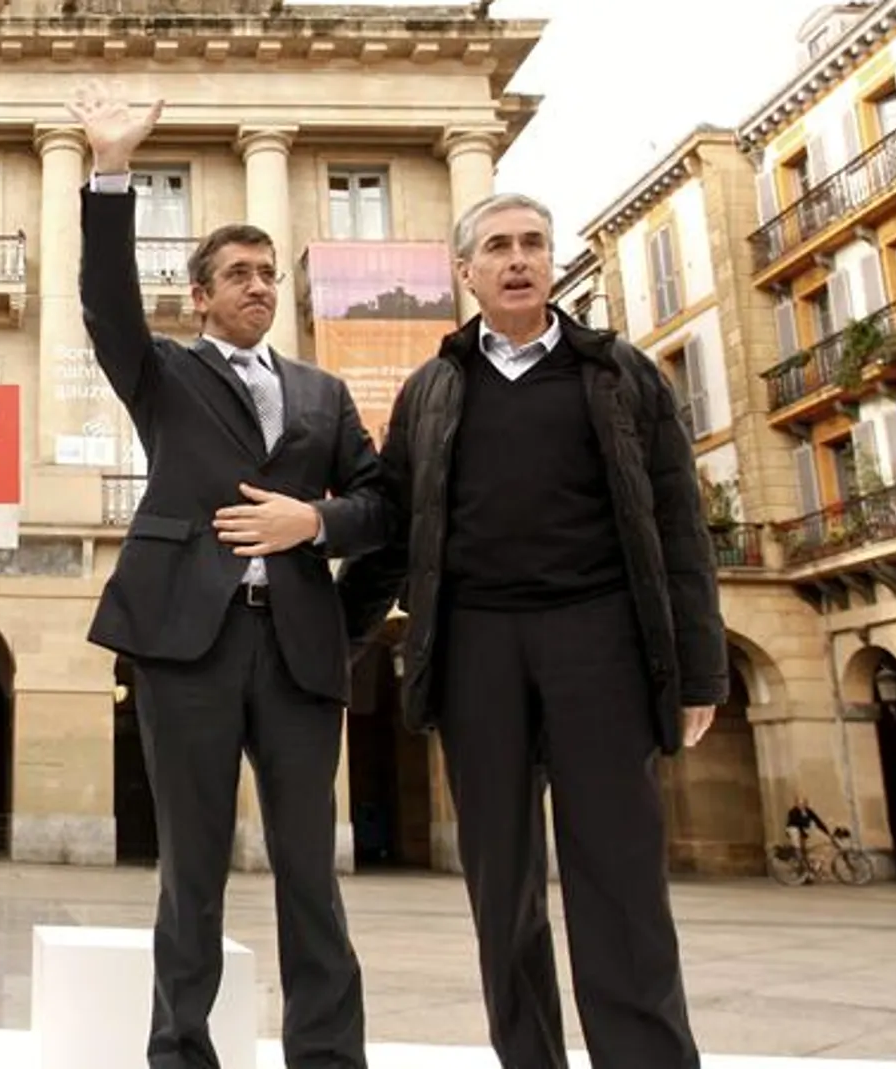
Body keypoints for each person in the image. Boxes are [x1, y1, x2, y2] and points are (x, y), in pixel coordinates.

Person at [339, 191, 727, 1069]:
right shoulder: (431, 389)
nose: (518, 259)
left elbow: (679, 527)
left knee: (620, 880)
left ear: (552, 262)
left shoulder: (623, 374)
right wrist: (332, 644)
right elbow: (396, 532)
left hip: (600, 641)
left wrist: (700, 670)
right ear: (465, 271)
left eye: (533, 244)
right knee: (501, 885)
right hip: (477, 645)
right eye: (498, 247)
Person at [68, 82, 397, 1069]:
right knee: (192, 867)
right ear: (200, 297)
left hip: (297, 650)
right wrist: (111, 170)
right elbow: (105, 303)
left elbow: (383, 505)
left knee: (310, 872)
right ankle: (180, 1052)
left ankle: (327, 1058)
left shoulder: (322, 392)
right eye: (237, 274)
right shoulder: (162, 374)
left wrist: (313, 521)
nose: (258, 285)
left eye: (266, 272)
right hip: (186, 645)